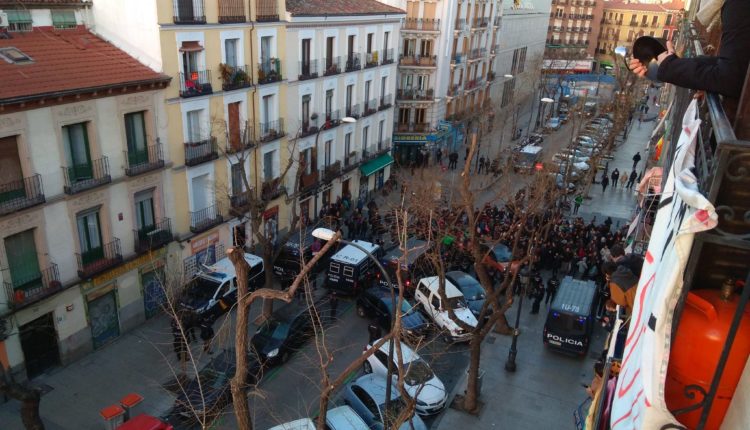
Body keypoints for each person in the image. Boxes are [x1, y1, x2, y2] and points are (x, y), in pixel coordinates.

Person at [628, 0, 750, 99]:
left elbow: (730, 80)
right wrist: (670, 64)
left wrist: (670, 67)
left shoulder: (739, 6)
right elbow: (737, 65)